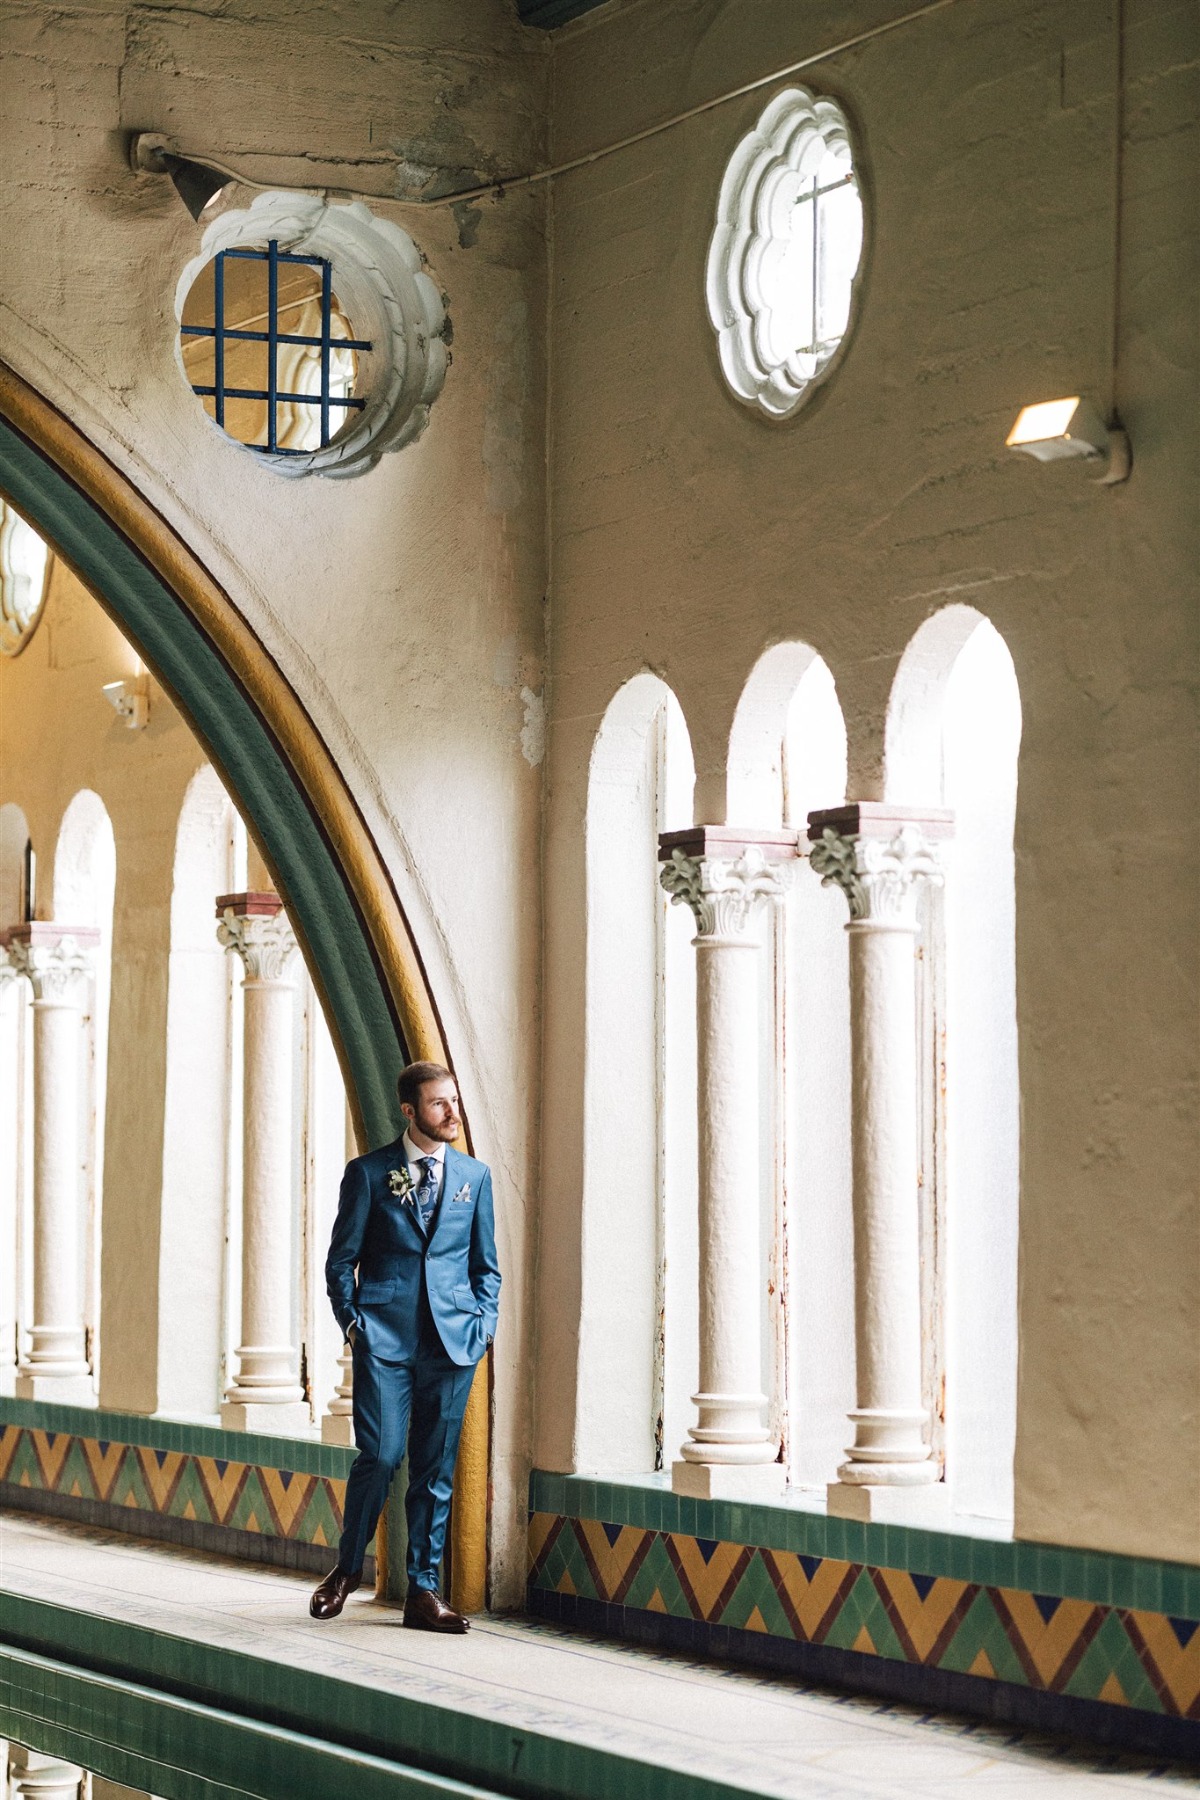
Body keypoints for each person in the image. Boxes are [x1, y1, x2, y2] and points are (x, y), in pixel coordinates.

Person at [309, 1061, 500, 1632]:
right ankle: (346, 1569)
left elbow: (485, 1267)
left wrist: (482, 1323)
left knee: (435, 1469)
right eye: (439, 1104)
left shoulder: (475, 1176)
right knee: (384, 1454)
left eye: (454, 1101)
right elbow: (341, 1262)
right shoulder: (368, 1174)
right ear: (410, 1110)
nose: (452, 1113)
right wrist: (353, 1325)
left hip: (453, 1344)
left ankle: (423, 1591)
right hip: (385, 1341)